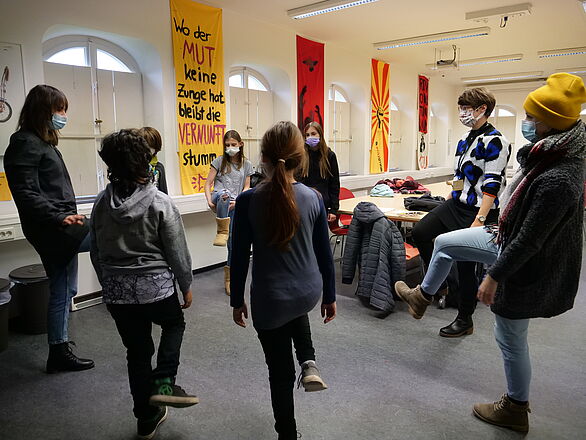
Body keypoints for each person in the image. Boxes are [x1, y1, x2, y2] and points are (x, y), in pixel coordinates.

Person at [396, 73, 586, 432]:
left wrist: (495, 276)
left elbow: (531, 239)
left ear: (553, 121)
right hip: (507, 237)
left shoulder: (559, 175)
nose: (526, 124)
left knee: (510, 337)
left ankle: (515, 407)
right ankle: (423, 294)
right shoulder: (549, 158)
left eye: (532, 118)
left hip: (526, 260)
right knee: (442, 243)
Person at [230, 121, 337, 440]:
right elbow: (324, 254)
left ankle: (287, 433)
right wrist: (330, 296)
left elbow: (238, 256)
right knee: (294, 309)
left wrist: (237, 300)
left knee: (279, 373)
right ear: (300, 158)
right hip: (308, 293)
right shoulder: (314, 198)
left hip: (271, 300)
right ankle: (309, 361)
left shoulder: (249, 200)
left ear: (262, 158)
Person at [90, 129, 198, 440]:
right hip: (156, 288)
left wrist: (108, 283)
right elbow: (177, 251)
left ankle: (145, 419)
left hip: (116, 291)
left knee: (136, 352)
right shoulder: (159, 202)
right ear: (145, 162)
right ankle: (164, 381)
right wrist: (186, 284)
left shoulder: (100, 203)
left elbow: (96, 250)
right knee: (174, 325)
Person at [4, 84, 94, 373]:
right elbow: (25, 193)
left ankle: (59, 350)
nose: (63, 115)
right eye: (59, 109)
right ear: (42, 111)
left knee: (63, 289)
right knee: (108, 234)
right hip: (53, 228)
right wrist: (59, 217)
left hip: (59, 224)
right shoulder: (24, 142)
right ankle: (126, 300)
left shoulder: (43, 143)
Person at [410, 87, 510, 337]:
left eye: (466, 108)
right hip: (456, 204)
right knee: (421, 231)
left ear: (481, 110)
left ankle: (465, 319)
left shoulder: (495, 140)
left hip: (478, 210)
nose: (462, 113)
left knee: (466, 266)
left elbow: (492, 184)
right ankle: (439, 284)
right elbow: (458, 176)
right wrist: (449, 199)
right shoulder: (465, 140)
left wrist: (479, 220)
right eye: (461, 108)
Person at [204, 129, 253, 295]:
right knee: (223, 195)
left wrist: (239, 201)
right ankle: (221, 229)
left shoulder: (246, 164)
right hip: (221, 197)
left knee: (233, 245)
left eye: (233, 144)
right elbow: (208, 184)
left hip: (236, 204)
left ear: (240, 144)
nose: (230, 147)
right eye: (227, 145)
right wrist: (210, 200)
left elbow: (247, 187)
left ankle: (229, 279)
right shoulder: (218, 162)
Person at [298, 121, 340, 223]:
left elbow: (334, 184)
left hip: (322, 203)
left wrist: (334, 209)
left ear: (320, 135)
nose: (310, 137)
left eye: (313, 134)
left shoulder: (329, 156)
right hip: (304, 203)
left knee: (320, 236)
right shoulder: (301, 155)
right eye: (307, 135)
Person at [138, 126, 168, 194]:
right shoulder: (133, 167)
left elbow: (164, 192)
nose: (149, 149)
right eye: (146, 146)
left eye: (152, 146)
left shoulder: (159, 167)